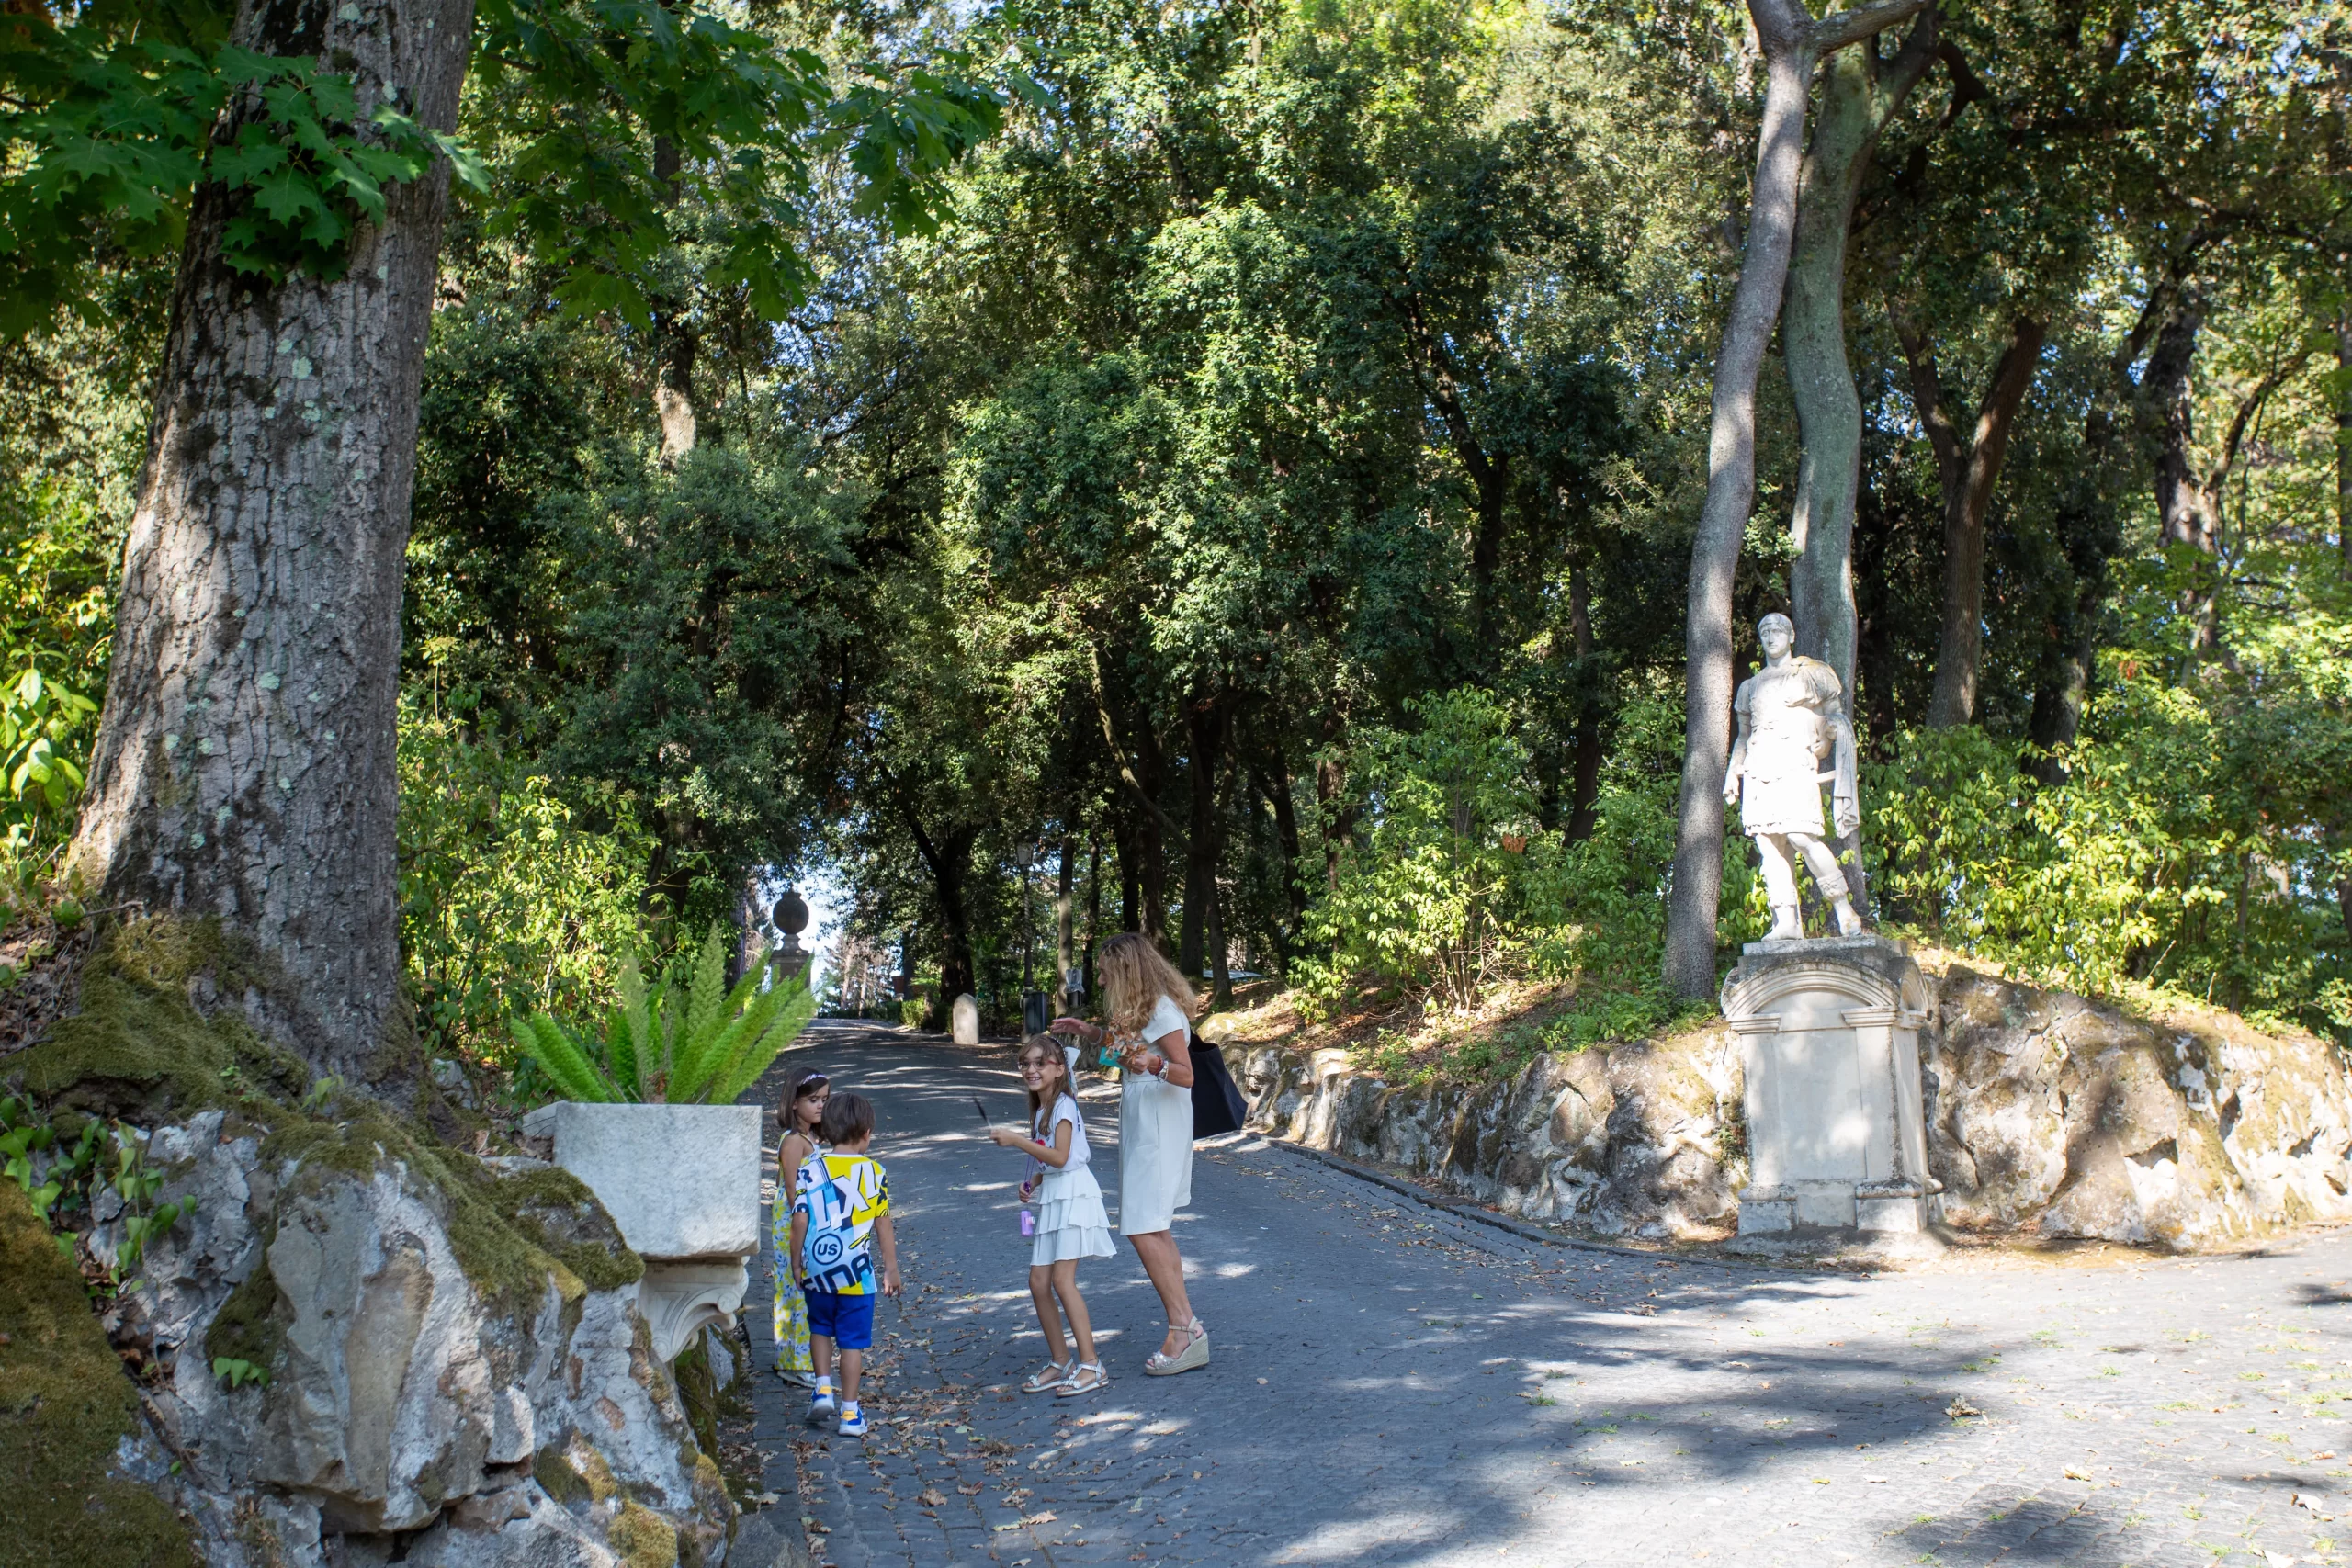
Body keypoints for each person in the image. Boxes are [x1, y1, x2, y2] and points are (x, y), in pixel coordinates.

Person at [1049, 931, 1207, 1377]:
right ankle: (1187, 1328)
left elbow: (1186, 1073)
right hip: (1143, 1115)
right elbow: (1126, 1052)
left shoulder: (1161, 1008)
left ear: (1125, 969)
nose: (1098, 979)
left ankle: (1184, 1329)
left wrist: (1151, 1064)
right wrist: (1093, 1033)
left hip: (1160, 1118)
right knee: (1151, 1225)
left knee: (1142, 1225)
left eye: (1103, 971)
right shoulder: (1139, 1008)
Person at [988, 1038, 1116, 1397]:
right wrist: (1033, 1180)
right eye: (1025, 1063)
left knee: (1062, 1280)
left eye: (1041, 1063)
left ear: (1060, 1069)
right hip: (1055, 1194)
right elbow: (1050, 1161)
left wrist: (1016, 1140)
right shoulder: (1042, 1108)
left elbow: (1062, 1157)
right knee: (1037, 1282)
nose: (1031, 1069)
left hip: (1075, 1194)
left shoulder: (1063, 1105)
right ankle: (1062, 1361)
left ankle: (1092, 1364)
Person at [1725, 610, 1864, 941]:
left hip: (1794, 764)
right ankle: (1786, 923)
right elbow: (1743, 736)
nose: (1771, 637)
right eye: (1765, 632)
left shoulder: (1812, 675)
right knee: (1769, 845)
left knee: (1802, 837)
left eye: (1777, 630)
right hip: (1759, 769)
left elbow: (1835, 716)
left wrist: (1834, 731)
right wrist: (1734, 771)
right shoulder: (1750, 687)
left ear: (1791, 636)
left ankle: (1844, 909)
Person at [787, 1091, 900, 1436]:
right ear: (866, 1132)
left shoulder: (811, 1167)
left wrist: (797, 1263)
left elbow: (799, 1220)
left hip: (818, 1269)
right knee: (852, 1343)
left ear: (826, 1131)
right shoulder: (875, 1172)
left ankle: (822, 1388)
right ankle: (850, 1414)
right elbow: (883, 1222)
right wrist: (891, 1268)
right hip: (857, 1273)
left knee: (820, 1327)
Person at [770, 1069, 829, 1384]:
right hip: (794, 1221)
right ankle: (795, 1363)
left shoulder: (807, 1138)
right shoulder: (793, 1141)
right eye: (813, 1100)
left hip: (802, 1219)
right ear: (794, 1103)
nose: (820, 1106)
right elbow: (792, 1191)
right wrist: (802, 1229)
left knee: (798, 1288)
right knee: (796, 1288)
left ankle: (792, 1359)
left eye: (824, 1099)